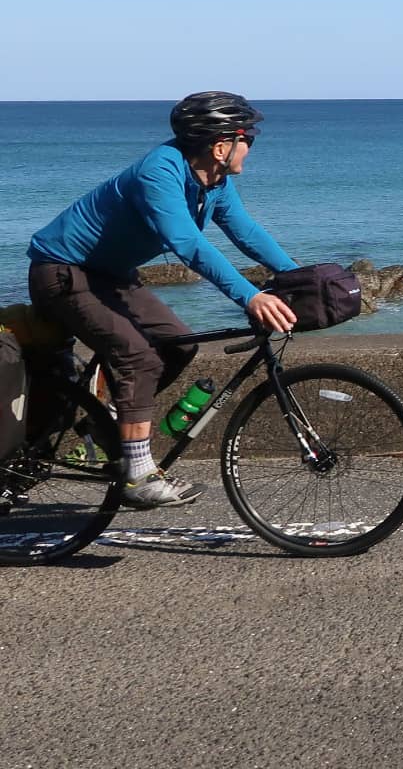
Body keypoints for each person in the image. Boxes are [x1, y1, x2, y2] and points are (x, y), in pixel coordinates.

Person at [26, 92, 299, 508]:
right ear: (221, 146)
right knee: (138, 357)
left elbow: (245, 231)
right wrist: (250, 297)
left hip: (111, 276)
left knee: (179, 346)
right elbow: (187, 244)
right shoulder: (160, 172)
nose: (250, 146)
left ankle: (104, 430)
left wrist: (299, 276)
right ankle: (138, 476)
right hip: (63, 272)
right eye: (248, 138)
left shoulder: (214, 182)